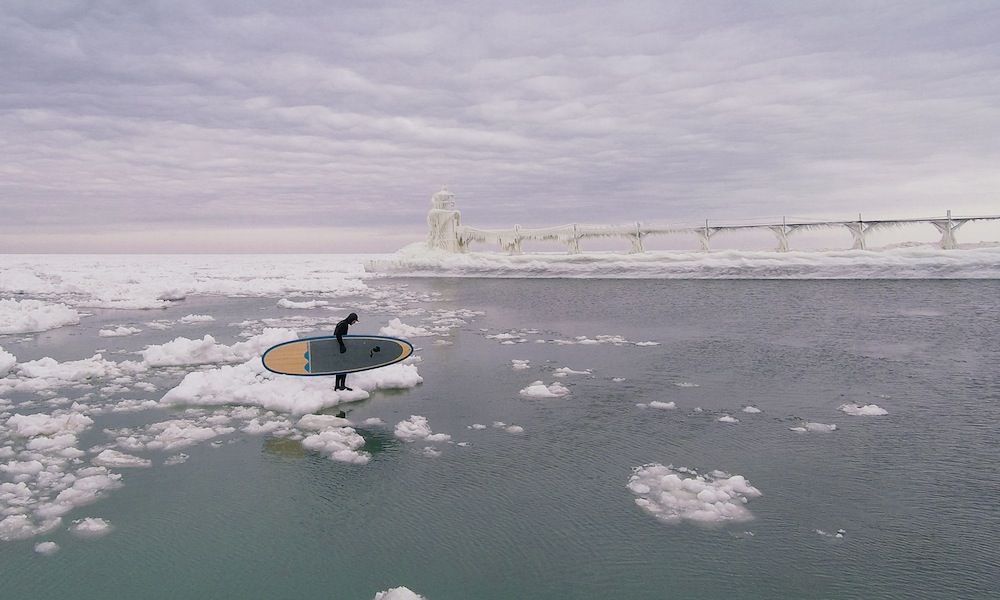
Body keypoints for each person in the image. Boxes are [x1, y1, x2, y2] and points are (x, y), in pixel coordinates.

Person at [334, 312, 358, 391]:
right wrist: (342, 345)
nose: (354, 323)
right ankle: (342, 386)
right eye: (354, 321)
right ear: (351, 319)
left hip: (337, 347)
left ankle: (337, 385)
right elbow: (338, 335)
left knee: (339, 367)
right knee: (344, 366)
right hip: (339, 348)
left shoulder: (342, 323)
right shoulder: (344, 324)